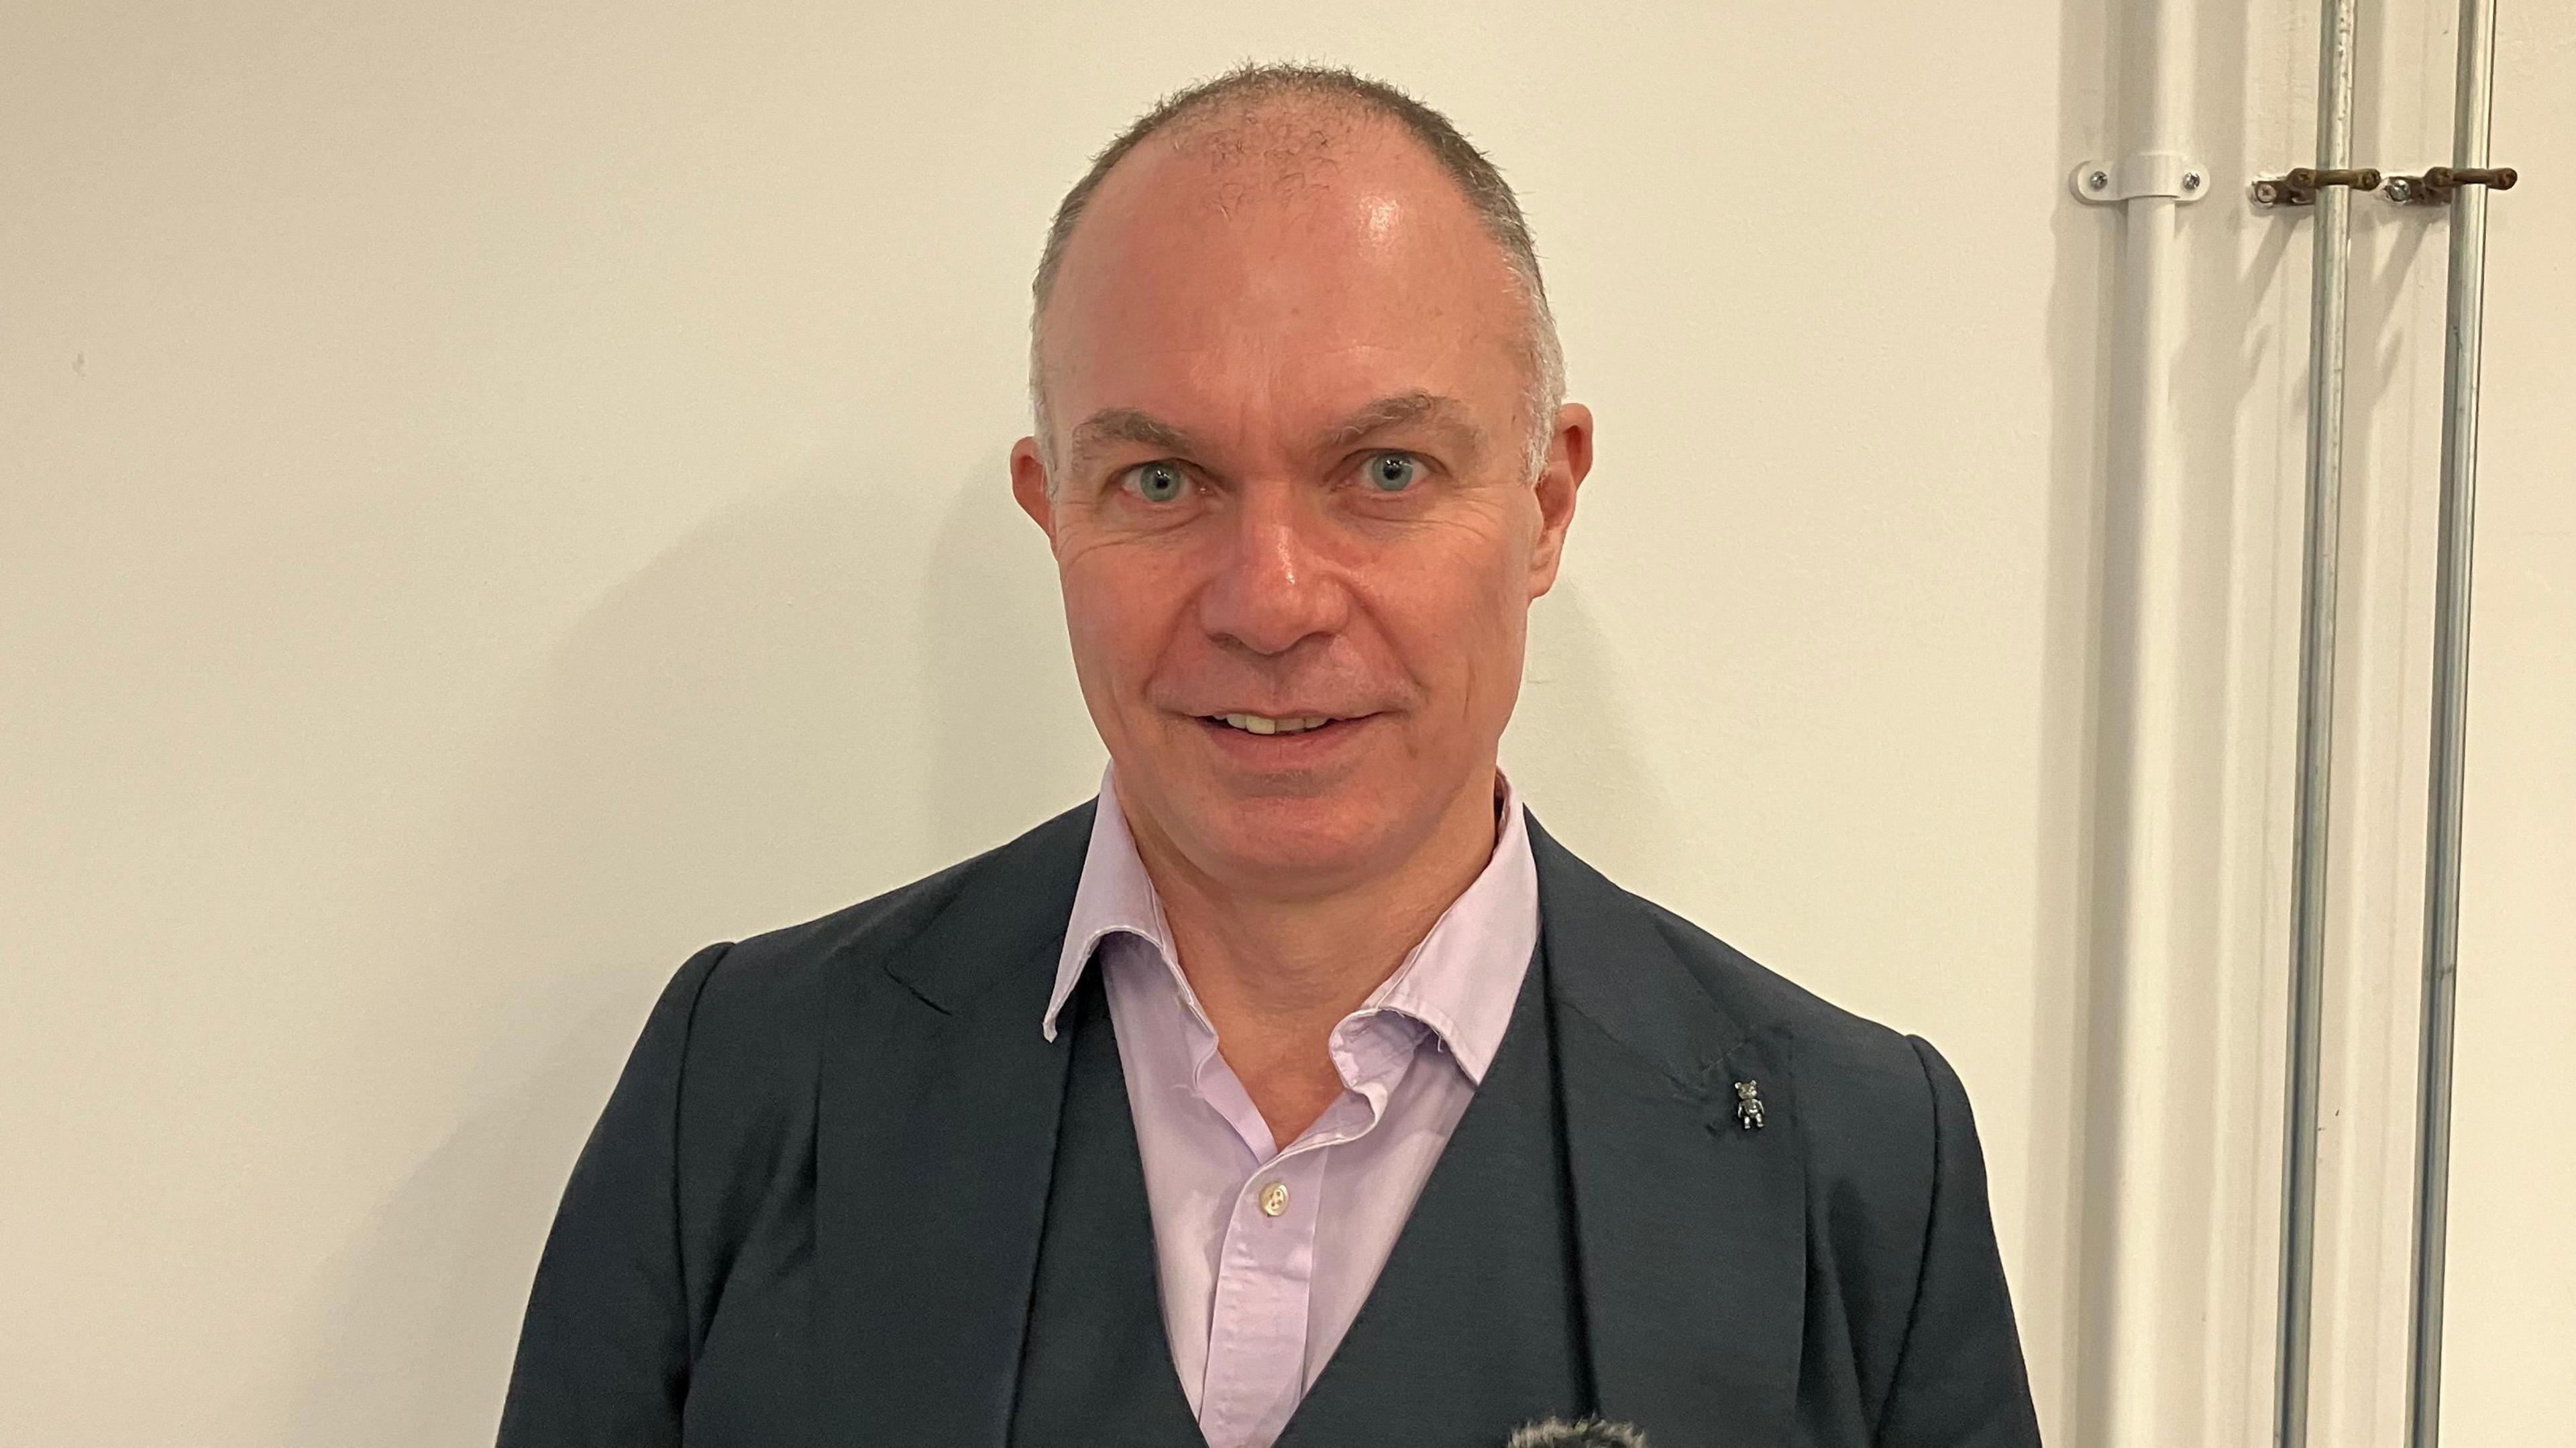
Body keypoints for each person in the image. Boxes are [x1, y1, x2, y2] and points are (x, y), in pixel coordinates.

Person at [496, 62, 2041, 1448]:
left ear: (1546, 503)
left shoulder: (1854, 1165)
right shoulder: (752, 1085)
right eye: (1163, 480)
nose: (1272, 602)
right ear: (1056, 512)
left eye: (1385, 470)